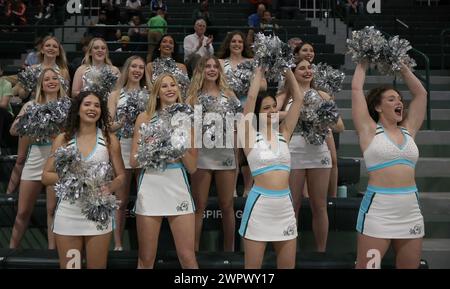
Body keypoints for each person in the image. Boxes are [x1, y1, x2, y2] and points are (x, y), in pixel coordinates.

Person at [352, 61, 426, 269]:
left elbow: (421, 95)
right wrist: (363, 60)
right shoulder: (368, 130)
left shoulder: (408, 130)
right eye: (391, 99)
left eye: (400, 99)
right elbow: (357, 89)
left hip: (410, 210)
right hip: (379, 213)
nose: (399, 102)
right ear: (378, 106)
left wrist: (401, 67)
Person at [42, 91, 125, 269]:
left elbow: (121, 176)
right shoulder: (63, 139)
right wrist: (75, 179)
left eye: (96, 105)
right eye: (87, 104)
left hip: (97, 216)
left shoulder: (110, 139)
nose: (92, 108)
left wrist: (110, 186)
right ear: (78, 109)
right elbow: (46, 176)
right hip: (68, 215)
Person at [130, 74, 198, 269]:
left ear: (178, 89)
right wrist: (152, 149)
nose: (169, 89)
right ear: (157, 93)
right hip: (151, 185)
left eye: (173, 85)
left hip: (177, 185)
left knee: (187, 257)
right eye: (164, 86)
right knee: (146, 259)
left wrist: (178, 143)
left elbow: (192, 167)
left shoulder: (187, 120)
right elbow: (133, 161)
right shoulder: (144, 118)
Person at [238, 65, 303, 269]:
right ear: (257, 113)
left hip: (284, 206)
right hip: (259, 207)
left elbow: (299, 99)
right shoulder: (249, 136)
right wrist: (259, 70)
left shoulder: (284, 133)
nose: (272, 111)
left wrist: (286, 68)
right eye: (266, 108)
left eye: (274, 107)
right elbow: (249, 99)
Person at [276, 59, 343, 252]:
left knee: (319, 205)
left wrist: (321, 114)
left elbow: (339, 126)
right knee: (293, 204)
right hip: (293, 151)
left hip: (319, 152)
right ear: (293, 72)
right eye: (302, 68)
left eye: (309, 67)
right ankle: (290, 252)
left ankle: (321, 252)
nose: (307, 71)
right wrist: (300, 111)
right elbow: (269, 116)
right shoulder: (284, 95)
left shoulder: (323, 95)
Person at [8, 68, 68, 250]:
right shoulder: (30, 105)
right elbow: (13, 130)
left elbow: (73, 132)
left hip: (56, 159)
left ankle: (52, 252)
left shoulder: (68, 104)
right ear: (41, 84)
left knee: (52, 210)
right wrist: (32, 120)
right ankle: (11, 251)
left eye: (54, 78)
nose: (51, 81)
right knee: (23, 211)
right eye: (46, 79)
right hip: (35, 158)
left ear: (60, 82)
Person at [186, 56, 239, 252]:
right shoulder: (192, 96)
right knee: (199, 206)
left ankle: (230, 250)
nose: (211, 69)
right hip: (201, 155)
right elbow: (186, 128)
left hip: (225, 154)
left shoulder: (229, 95)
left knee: (227, 205)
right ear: (201, 70)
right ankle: (193, 250)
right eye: (207, 66)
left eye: (215, 66)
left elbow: (238, 125)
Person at [108, 55, 151, 251]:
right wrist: (123, 122)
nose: (137, 70)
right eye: (133, 66)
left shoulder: (150, 94)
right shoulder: (115, 94)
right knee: (121, 200)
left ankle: (146, 245)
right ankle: (117, 244)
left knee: (144, 199)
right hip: (122, 149)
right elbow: (109, 125)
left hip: (144, 149)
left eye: (141, 67)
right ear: (127, 69)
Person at [217, 30, 267, 197]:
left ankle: (248, 188)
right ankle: (231, 189)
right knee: (234, 151)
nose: (237, 44)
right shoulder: (220, 63)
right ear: (228, 44)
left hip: (249, 109)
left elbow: (264, 85)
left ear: (244, 44)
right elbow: (218, 84)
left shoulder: (252, 62)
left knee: (250, 151)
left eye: (240, 41)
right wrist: (232, 93)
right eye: (233, 41)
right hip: (228, 110)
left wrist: (246, 85)